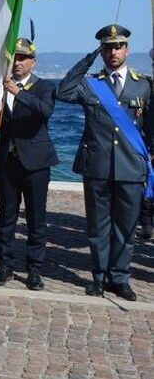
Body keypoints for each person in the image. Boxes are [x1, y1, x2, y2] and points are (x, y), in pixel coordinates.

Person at [56, 24, 153, 301]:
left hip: (131, 167)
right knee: (98, 227)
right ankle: (99, 277)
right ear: (101, 51)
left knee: (125, 228)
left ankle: (119, 278)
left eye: (118, 46)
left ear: (127, 49)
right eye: (107, 47)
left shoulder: (143, 84)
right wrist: (86, 60)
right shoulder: (90, 83)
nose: (113, 52)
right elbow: (63, 92)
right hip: (97, 166)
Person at [0, 38, 59, 291]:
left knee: (35, 219)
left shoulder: (44, 87)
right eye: (14, 58)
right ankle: (5, 266)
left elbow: (45, 111)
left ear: (33, 61)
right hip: (8, 162)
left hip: (36, 162)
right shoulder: (0, 87)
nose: (17, 62)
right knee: (6, 217)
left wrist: (19, 93)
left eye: (22, 58)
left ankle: (34, 269)